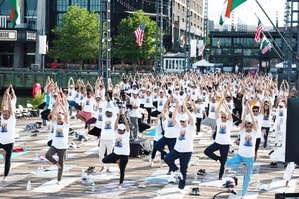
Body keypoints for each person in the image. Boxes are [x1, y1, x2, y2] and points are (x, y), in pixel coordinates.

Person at [225, 101, 257, 198]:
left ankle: (243, 195)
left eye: (249, 126)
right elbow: (243, 121)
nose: (248, 127)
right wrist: (245, 108)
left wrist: (250, 110)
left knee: (247, 177)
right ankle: (241, 165)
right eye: (246, 126)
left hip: (249, 157)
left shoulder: (254, 132)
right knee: (227, 163)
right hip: (240, 156)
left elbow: (254, 121)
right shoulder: (242, 132)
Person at [164, 96, 195, 193]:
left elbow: (192, 118)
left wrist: (185, 107)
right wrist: (176, 107)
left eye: (183, 121)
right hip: (177, 149)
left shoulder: (191, 128)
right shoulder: (178, 127)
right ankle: (176, 170)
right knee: (167, 159)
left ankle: (181, 187)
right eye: (181, 121)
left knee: (184, 170)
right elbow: (173, 119)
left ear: (186, 121)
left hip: (186, 151)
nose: (181, 123)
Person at [203, 97, 232, 180]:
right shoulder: (219, 121)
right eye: (222, 117)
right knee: (207, 151)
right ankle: (217, 158)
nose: (223, 118)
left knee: (223, 163)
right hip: (217, 143)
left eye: (224, 117)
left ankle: (220, 176)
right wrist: (220, 103)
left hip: (225, 144)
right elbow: (216, 112)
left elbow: (229, 114)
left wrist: (225, 105)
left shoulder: (229, 123)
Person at [102, 109, 130, 189]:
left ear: (124, 130)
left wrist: (123, 115)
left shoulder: (127, 133)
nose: (120, 131)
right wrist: (118, 116)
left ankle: (120, 183)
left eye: (122, 130)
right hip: (116, 153)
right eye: (119, 130)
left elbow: (127, 124)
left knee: (122, 170)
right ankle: (117, 161)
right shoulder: (116, 132)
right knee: (104, 160)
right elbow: (115, 124)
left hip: (124, 154)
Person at [45, 95, 69, 184]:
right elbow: (54, 113)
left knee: (61, 166)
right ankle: (56, 163)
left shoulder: (66, 124)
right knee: (47, 155)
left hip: (63, 147)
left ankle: (59, 180)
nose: (59, 120)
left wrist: (62, 105)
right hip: (55, 145)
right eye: (58, 118)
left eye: (60, 118)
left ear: (63, 119)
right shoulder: (55, 123)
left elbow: (66, 113)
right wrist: (57, 104)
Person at [0, 88, 16, 182]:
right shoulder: (2, 117)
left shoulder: (12, 119)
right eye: (4, 114)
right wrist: (4, 96)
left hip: (9, 142)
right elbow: (2, 107)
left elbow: (9, 108)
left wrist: (9, 98)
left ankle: (5, 176)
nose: (5, 115)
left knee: (8, 160)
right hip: (1, 141)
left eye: (6, 114)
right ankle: (2, 152)